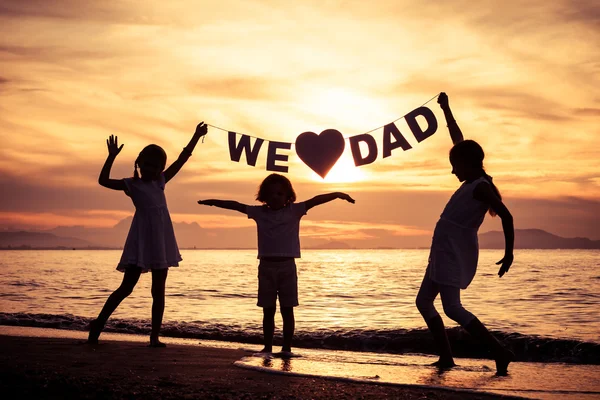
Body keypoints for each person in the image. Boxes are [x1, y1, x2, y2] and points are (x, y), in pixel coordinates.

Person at [198, 173, 355, 355]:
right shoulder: (259, 212)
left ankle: (287, 348)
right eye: (271, 193)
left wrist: (338, 194)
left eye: (280, 193)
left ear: (288, 196)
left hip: (287, 266)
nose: (275, 197)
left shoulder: (294, 211)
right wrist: (212, 202)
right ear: (264, 196)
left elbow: (316, 200)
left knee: (287, 310)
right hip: (266, 267)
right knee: (268, 310)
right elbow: (235, 205)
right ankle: (268, 347)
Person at [415, 93, 515, 375]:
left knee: (452, 308)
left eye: (455, 165)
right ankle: (446, 357)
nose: (452, 170)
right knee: (423, 301)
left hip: (453, 251)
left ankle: (499, 351)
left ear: (468, 164)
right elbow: (457, 138)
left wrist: (509, 253)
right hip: (442, 249)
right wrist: (446, 108)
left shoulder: (480, 186)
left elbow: (506, 216)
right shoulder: (472, 177)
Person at [88, 122, 208, 347]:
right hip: (142, 240)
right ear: (139, 164)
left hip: (161, 240)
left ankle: (154, 336)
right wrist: (111, 156)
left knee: (159, 290)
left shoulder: (161, 181)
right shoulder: (131, 184)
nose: (151, 169)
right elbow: (103, 181)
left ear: (161, 168)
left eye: (156, 166)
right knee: (127, 286)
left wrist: (195, 135)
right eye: (147, 165)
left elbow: (182, 159)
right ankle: (98, 323)